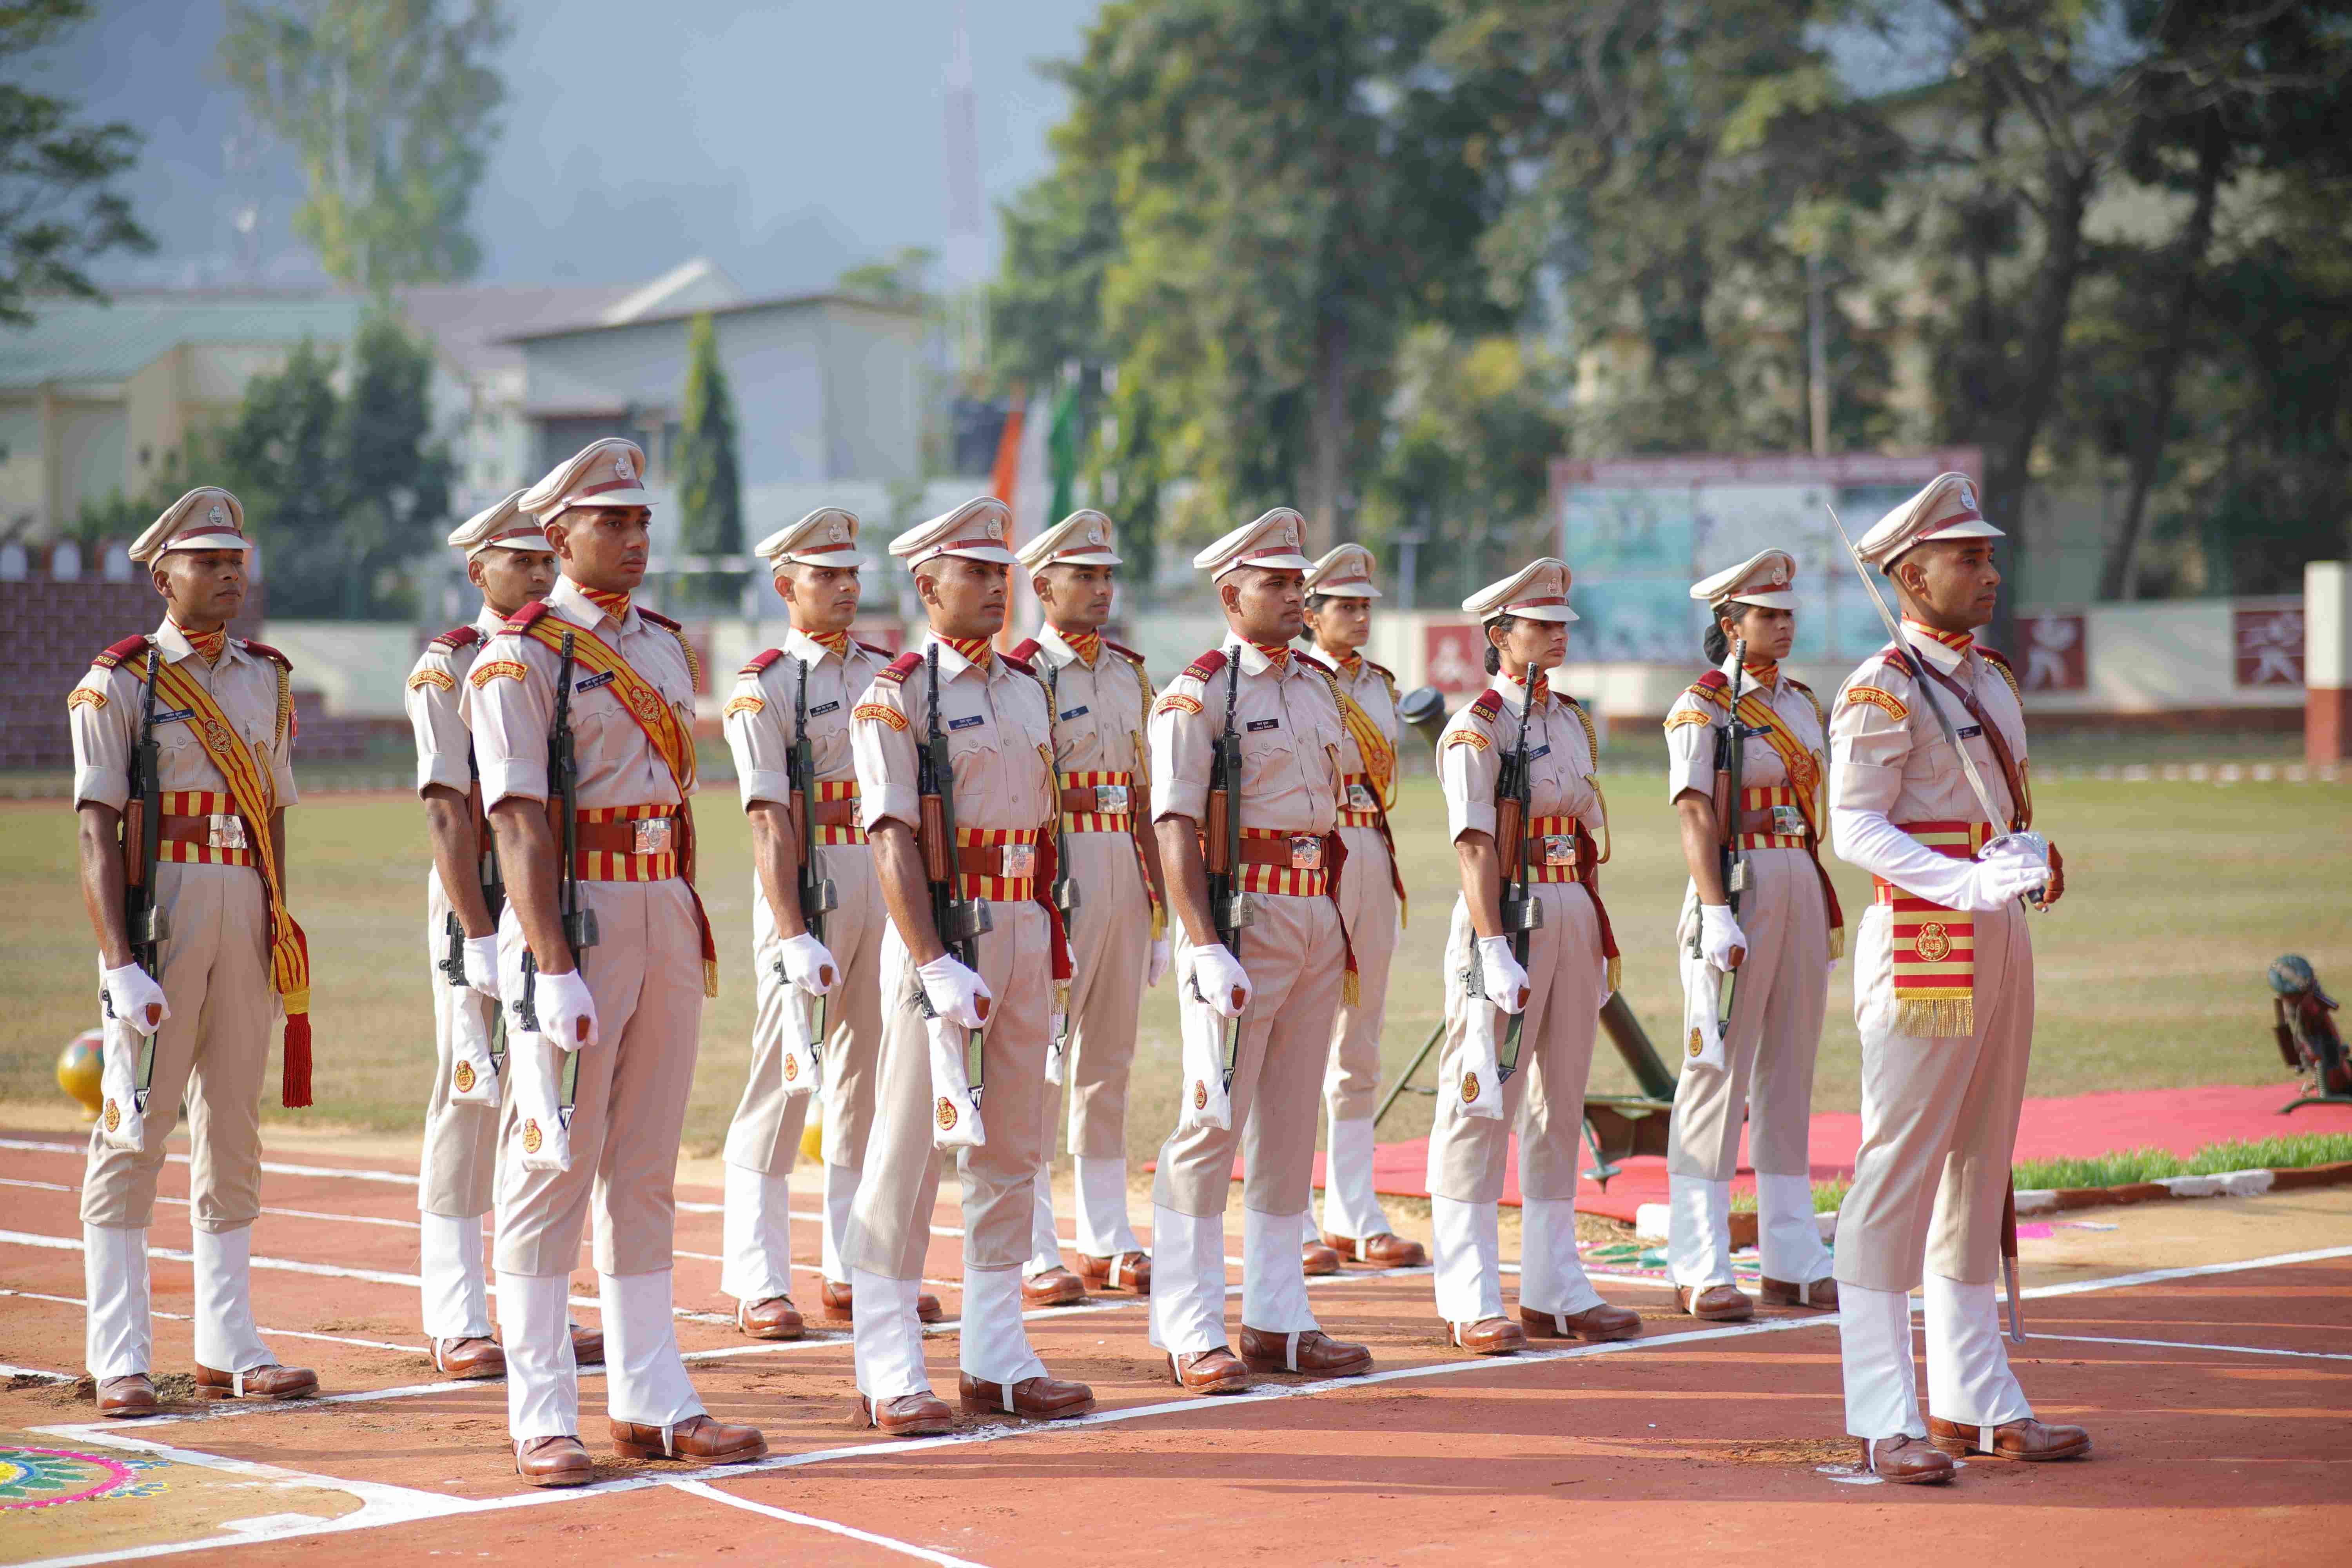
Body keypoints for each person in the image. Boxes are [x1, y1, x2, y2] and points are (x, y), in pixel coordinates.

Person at [467, 438, 764, 1485]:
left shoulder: (668, 648)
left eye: (642, 522)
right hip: (574, 920)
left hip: (662, 908)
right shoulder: (519, 657)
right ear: (557, 537)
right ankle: (543, 1412)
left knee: (645, 1167)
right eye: (611, 523)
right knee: (552, 1165)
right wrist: (547, 965)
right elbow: (518, 823)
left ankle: (651, 1395)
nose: (635, 539)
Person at [1829, 472, 2085, 1484]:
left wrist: (2028, 859)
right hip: (1925, 935)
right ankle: (1884, 1410)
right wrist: (1962, 880)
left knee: (1985, 1164)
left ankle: (1977, 1397)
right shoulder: (1881, 687)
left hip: (1997, 933)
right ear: (1907, 573)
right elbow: (1854, 824)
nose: (1988, 572)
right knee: (1898, 1170)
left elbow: (2001, 808)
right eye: (1967, 557)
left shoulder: (1990, 679)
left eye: (1987, 554)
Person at [839, 497, 1095, 1435]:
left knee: (1013, 1148)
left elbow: (1048, 823)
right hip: (943, 936)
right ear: (927, 584)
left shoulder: (1031, 687)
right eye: (976, 572)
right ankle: (888, 1362)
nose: (996, 586)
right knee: (906, 1153)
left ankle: (997, 1356)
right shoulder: (895, 695)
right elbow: (892, 838)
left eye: (1002, 571)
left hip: (1025, 923)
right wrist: (931, 958)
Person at [67, 487, 318, 1416]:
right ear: (162, 572)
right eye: (207, 560)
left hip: (245, 903)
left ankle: (229, 1342)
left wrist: (278, 914)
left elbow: (275, 813)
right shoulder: (120, 681)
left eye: (236, 560)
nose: (227, 574)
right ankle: (122, 1354)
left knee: (234, 1126)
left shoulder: (266, 676)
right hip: (160, 909)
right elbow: (97, 830)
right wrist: (118, 960)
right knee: (135, 1127)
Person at [1147, 508, 1374, 1394]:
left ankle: (1279, 1316)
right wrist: (1200, 940)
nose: (1293, 595)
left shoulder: (1317, 685)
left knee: (1288, 1125)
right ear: (1228, 592)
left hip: (1315, 909)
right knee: (1212, 1123)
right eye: (1275, 583)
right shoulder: (1198, 694)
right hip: (1242, 918)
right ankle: (1190, 1322)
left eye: (1297, 582)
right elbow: (1173, 821)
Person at [718, 508, 944, 1337]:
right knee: (784, 1078)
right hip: (805, 884)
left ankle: (848, 1262)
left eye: (852, 573)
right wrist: (788, 931)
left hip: (879, 882)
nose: (846, 587)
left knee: (867, 1075)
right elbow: (767, 817)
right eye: (826, 575)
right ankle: (756, 1275)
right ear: (787, 586)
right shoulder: (765, 685)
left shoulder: (891, 672)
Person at [406, 494, 606, 1378]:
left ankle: (541, 1310)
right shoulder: (447, 668)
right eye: (517, 561)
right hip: (478, 900)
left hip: (553, 903)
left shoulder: (563, 656)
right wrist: (479, 933)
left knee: (552, 1097)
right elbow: (450, 811)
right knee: (470, 1095)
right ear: (476, 568)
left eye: (543, 559)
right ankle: (456, 1313)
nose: (536, 573)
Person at [1424, 560, 1641, 1356]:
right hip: (1506, 918)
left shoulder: (1572, 719)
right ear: (1498, 636)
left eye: (1561, 624)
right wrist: (1490, 946)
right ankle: (1469, 1290)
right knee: (1482, 1102)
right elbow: (1476, 844)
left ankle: (1555, 1285)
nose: (1556, 634)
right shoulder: (1475, 728)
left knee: (1561, 1101)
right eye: (1540, 624)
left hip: (1571, 905)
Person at [1660, 549, 1841, 1321]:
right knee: (1715, 1072)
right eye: (1767, 614)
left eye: (1788, 612)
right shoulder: (1702, 708)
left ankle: (1793, 1255)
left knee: (1790, 1068)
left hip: (1800, 872)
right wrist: (1715, 908)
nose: (1784, 624)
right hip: (1737, 885)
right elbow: (1696, 810)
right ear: (1730, 624)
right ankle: (1699, 1261)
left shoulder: (1802, 702)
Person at [1008, 510, 1171, 1300]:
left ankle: (1106, 1234)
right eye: (1085, 575)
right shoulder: (1022, 674)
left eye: (1108, 575)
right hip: (1056, 864)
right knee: (1042, 1062)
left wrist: (1162, 904)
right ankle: (1035, 1239)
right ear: (1042, 586)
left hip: (1119, 863)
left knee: (1108, 1061)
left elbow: (1143, 794)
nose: (1102, 589)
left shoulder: (1126, 672)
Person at [1294, 544, 1423, 1273]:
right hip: (1312, 851)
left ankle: (1355, 1209)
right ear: (1311, 614)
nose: (1359, 616)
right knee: (1298, 1038)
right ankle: (1299, 1213)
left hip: (1368, 847)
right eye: (1344, 604)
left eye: (1366, 604)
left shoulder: (1381, 685)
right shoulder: (1298, 681)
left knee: (1361, 1039)